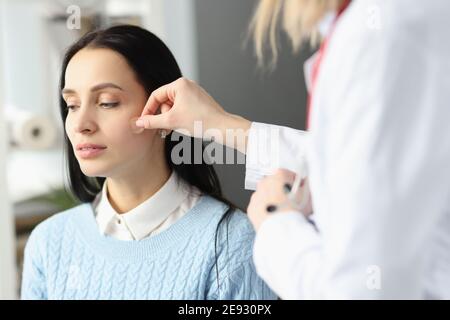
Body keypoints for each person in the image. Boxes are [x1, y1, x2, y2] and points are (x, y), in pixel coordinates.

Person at [135, 0, 450, 299]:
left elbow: (362, 290)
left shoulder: (383, 35)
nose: (84, 125)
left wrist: (276, 225)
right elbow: (356, 162)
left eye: (108, 102)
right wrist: (220, 124)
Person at [21, 25, 277, 300]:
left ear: (165, 111)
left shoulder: (230, 243)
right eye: (72, 105)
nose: (80, 124)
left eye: (107, 102)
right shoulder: (50, 242)